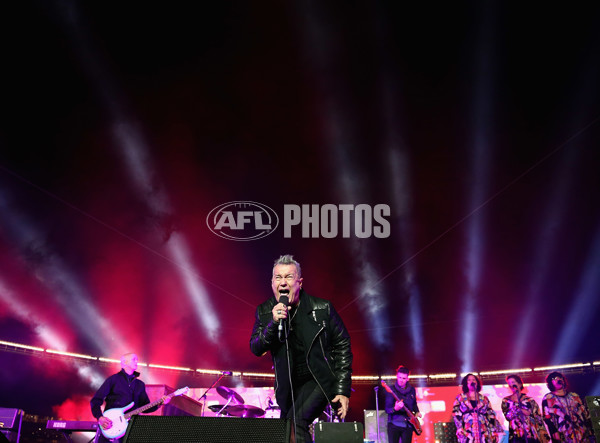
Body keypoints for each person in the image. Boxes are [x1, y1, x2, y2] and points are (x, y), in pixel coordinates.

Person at [250, 254, 353, 443]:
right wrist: (273, 323)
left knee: (296, 424)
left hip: (318, 380)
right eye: (278, 277)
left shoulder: (322, 308)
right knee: (286, 431)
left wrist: (343, 389)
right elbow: (256, 347)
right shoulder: (264, 311)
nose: (283, 282)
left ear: (299, 282)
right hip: (288, 385)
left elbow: (342, 345)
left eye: (289, 277)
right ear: (272, 283)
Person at [90, 353, 168, 443]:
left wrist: (161, 403)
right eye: (134, 359)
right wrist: (100, 417)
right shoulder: (113, 380)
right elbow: (96, 400)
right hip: (111, 425)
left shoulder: (140, 384)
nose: (137, 361)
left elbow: (145, 407)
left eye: (137, 359)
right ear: (124, 363)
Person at [541, 371, 594, 443]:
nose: (558, 379)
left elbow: (584, 413)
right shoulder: (548, 398)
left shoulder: (574, 396)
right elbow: (547, 417)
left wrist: (589, 430)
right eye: (555, 378)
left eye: (560, 378)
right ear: (550, 383)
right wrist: (553, 432)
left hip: (581, 433)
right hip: (562, 434)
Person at [452, 373, 503, 443]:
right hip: (467, 430)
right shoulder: (460, 397)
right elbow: (455, 413)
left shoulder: (484, 398)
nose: (472, 381)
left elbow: (490, 414)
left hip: (482, 429)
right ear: (466, 383)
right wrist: (459, 427)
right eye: (469, 380)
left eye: (474, 380)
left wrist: (494, 430)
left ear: (477, 383)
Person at [501, 374, 549, 443]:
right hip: (516, 434)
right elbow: (508, 417)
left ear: (520, 384)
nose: (511, 385)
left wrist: (542, 432)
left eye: (513, 382)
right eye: (509, 383)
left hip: (531, 434)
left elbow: (537, 417)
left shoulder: (530, 400)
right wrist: (517, 409)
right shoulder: (506, 401)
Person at [384, 365, 422, 443]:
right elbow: (387, 409)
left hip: (408, 425)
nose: (401, 380)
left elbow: (414, 403)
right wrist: (395, 408)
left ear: (408, 378)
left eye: (404, 378)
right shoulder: (391, 389)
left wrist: (417, 411)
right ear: (396, 377)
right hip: (394, 425)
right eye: (399, 377)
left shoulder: (412, 390)